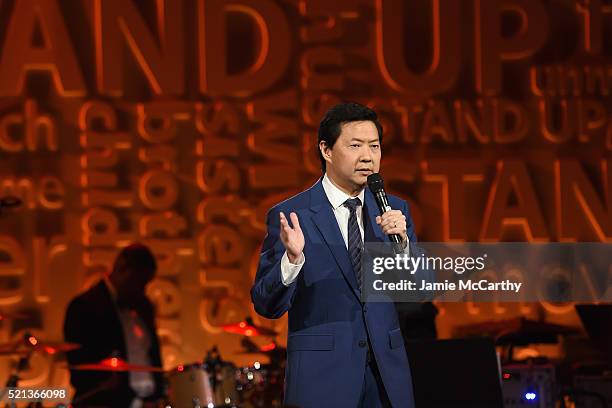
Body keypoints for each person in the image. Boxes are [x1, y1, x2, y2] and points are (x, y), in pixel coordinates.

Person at [251, 102, 417, 408]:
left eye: (375, 146)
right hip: (322, 380)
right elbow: (265, 303)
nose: (368, 156)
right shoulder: (291, 215)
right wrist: (291, 260)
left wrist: (403, 246)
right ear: (326, 150)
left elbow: (419, 292)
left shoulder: (394, 211)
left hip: (386, 379)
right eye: (355, 146)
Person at [63, 243, 164, 408]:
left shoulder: (143, 306)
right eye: (139, 282)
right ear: (122, 269)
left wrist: (158, 394)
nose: (143, 290)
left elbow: (152, 355)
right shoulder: (84, 306)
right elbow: (79, 368)